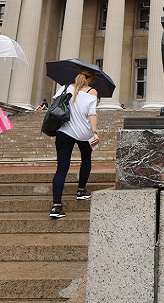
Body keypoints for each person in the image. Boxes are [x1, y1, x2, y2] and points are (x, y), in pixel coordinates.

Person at [50, 67, 100, 219]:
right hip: (84, 133)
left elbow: (55, 105)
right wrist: (95, 132)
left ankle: (56, 206)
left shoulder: (64, 88)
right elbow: (92, 114)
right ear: (90, 79)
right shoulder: (92, 92)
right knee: (86, 158)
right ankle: (81, 190)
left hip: (64, 131)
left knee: (62, 168)